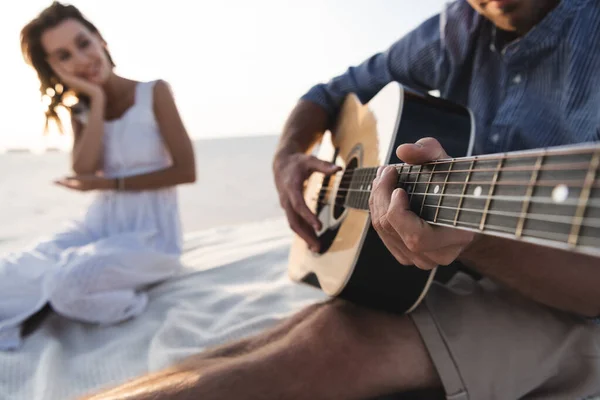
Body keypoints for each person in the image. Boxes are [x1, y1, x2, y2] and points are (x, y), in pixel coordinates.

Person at [80, 0, 600, 398]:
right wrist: (287, 157)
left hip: (573, 302)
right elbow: (328, 94)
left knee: (330, 344)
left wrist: (471, 241)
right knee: (307, 327)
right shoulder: (459, 27)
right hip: (465, 258)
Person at [0, 2, 196, 351]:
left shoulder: (154, 92)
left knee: (68, 283)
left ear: (100, 39)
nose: (81, 58)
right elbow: (84, 169)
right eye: (64, 56)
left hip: (151, 235)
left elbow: (186, 170)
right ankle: (48, 292)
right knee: (9, 270)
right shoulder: (84, 109)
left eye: (83, 43)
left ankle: (127, 298)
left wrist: (109, 184)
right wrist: (96, 100)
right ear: (56, 69)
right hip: (98, 226)